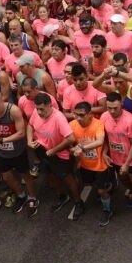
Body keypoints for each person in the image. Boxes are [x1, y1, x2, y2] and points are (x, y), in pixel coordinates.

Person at [28, 92, 82, 220]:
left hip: (59, 154)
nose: (39, 112)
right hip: (43, 151)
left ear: (50, 105)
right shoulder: (36, 113)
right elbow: (30, 125)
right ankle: (61, 196)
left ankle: (78, 202)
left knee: (68, 178)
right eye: (37, 108)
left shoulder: (59, 118)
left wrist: (54, 150)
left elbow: (70, 138)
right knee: (50, 176)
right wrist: (30, 140)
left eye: (42, 109)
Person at [65, 101, 112, 226]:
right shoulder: (72, 125)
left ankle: (107, 210)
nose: (78, 118)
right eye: (76, 115)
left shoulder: (98, 124)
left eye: (81, 115)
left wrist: (81, 147)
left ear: (90, 114)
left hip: (100, 165)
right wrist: (72, 150)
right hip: (84, 165)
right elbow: (68, 144)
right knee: (90, 184)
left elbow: (100, 141)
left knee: (101, 191)